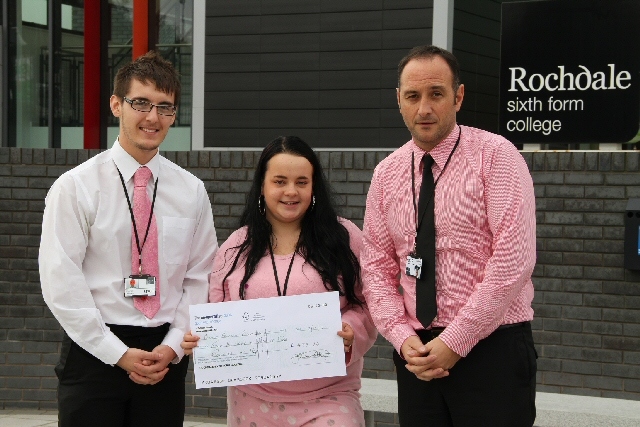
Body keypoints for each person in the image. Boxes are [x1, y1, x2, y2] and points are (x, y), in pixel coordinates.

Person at [361, 45, 537, 427]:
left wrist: (456, 341)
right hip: (417, 355)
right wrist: (400, 335)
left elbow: (513, 261)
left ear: (458, 96)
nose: (424, 108)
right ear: (399, 101)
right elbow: (375, 267)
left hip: (494, 349)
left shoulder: (497, 157)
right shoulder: (386, 174)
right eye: (413, 96)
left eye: (436, 94)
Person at [39, 51, 218, 426]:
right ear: (116, 105)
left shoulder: (191, 190)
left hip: (164, 357)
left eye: (165, 107)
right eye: (141, 103)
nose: (153, 117)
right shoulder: (76, 187)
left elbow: (201, 277)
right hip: (93, 353)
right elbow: (61, 280)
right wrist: (115, 352)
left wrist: (171, 348)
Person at [181, 136, 377, 427]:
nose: (290, 192)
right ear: (262, 185)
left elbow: (370, 302)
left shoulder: (345, 238)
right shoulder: (237, 247)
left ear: (314, 186)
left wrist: (352, 330)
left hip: (330, 395)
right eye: (280, 181)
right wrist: (201, 336)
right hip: (251, 400)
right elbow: (217, 309)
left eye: (301, 182)